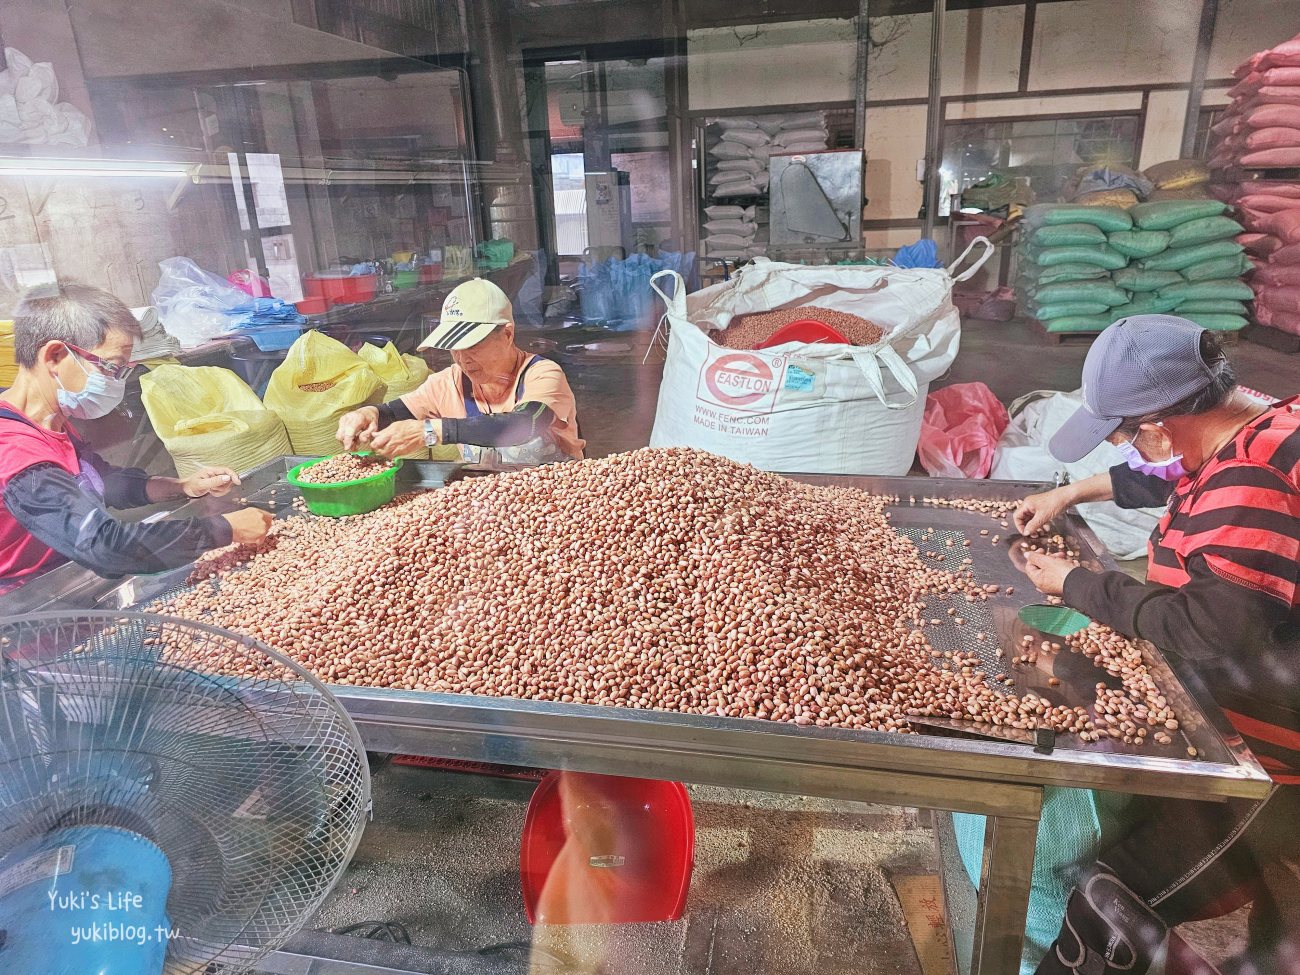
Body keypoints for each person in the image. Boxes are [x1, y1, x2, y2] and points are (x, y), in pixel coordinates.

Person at [1011, 315, 1299, 975]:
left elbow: (1206, 628)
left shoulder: (1250, 486)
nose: (1120, 445)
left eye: (1120, 432)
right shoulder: (1260, 424)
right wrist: (1073, 489)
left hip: (1274, 766)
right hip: (1246, 706)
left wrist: (1080, 583)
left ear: (1160, 424)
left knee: (1109, 900)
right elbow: (1176, 473)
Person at [0, 283, 272, 594]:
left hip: (73, 579)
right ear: (55, 355)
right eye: (111, 368)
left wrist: (181, 487)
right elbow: (104, 547)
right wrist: (226, 529)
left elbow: (102, 481)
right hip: (30, 609)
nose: (115, 383)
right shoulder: (14, 449)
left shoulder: (51, 421)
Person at [336, 278, 584, 466]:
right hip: (486, 511)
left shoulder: (542, 374)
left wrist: (430, 432)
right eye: (453, 348)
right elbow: (395, 411)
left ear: (507, 334)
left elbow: (526, 422)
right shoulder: (449, 382)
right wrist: (368, 413)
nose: (463, 359)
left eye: (473, 345)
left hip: (557, 503)